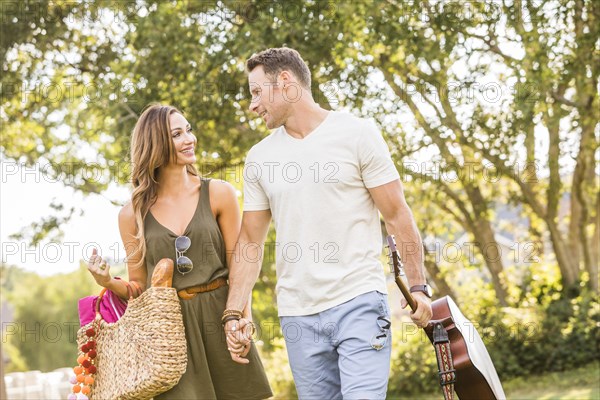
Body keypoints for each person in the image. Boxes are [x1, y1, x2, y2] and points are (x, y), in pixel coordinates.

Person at [223, 47, 433, 399]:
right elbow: (249, 242)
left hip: (359, 302)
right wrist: (233, 313)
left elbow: (397, 215)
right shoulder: (259, 159)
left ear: (286, 82)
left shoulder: (357, 134)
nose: (253, 105)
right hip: (297, 315)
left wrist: (418, 287)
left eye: (257, 92)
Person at [86, 104, 272, 400]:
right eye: (177, 134)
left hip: (220, 319)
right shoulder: (131, 215)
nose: (189, 139)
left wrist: (241, 320)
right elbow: (139, 288)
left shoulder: (219, 193)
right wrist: (107, 281)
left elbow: (239, 266)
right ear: (156, 144)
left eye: (189, 130)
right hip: (170, 336)